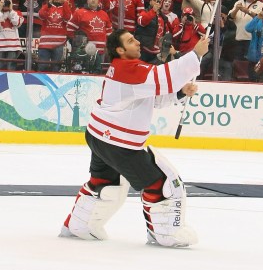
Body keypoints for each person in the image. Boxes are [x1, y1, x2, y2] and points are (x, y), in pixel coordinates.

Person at [61, 28, 210, 246]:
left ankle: (79, 225)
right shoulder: (128, 68)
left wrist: (179, 92)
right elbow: (162, 77)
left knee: (105, 184)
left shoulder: (124, 69)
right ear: (120, 50)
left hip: (99, 136)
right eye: (131, 41)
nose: (137, 43)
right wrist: (195, 54)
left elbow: (153, 98)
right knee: (163, 185)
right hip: (117, 142)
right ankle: (166, 234)